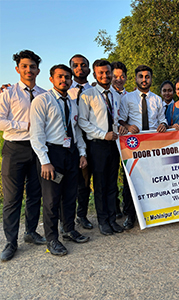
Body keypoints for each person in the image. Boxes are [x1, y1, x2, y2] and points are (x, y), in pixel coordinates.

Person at [30, 64, 89, 256]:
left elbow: (76, 129)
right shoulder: (42, 101)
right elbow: (36, 133)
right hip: (51, 155)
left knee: (70, 195)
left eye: (67, 77)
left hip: (70, 153)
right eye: (60, 77)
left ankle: (69, 229)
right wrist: (45, 161)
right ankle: (52, 239)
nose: (64, 80)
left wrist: (81, 153)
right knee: (51, 199)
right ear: (52, 79)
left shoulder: (71, 102)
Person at [0, 50, 47, 261]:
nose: (29, 70)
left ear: (38, 70)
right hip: (14, 148)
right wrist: (25, 125)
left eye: (33, 66)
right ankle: (10, 242)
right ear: (18, 69)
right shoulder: (8, 93)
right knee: (12, 198)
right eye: (25, 66)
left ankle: (31, 232)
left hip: (37, 149)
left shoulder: (45, 94)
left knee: (35, 194)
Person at [78, 59, 127, 236]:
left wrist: (118, 128)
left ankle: (112, 219)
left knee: (112, 183)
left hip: (113, 144)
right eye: (101, 73)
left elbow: (115, 118)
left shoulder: (115, 95)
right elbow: (82, 121)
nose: (105, 76)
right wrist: (102, 134)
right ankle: (103, 221)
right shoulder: (88, 95)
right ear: (94, 74)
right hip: (97, 145)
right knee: (100, 184)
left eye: (108, 72)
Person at [118, 65, 168, 230]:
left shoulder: (157, 99)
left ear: (151, 79)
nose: (144, 79)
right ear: (136, 79)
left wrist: (163, 124)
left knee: (154, 179)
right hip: (133, 147)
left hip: (153, 146)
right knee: (131, 182)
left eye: (147, 76)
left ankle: (155, 212)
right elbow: (120, 120)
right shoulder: (127, 98)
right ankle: (130, 216)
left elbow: (163, 119)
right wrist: (128, 125)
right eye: (141, 76)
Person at [67, 54, 94, 231]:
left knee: (86, 182)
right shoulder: (64, 91)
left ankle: (82, 215)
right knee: (69, 183)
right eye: (75, 65)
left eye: (83, 65)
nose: (80, 68)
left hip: (92, 142)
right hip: (69, 144)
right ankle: (66, 219)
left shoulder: (96, 91)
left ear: (89, 69)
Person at [110, 61, 128, 219]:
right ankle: (114, 207)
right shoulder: (106, 95)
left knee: (128, 173)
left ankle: (128, 204)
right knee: (112, 175)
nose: (118, 79)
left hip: (129, 143)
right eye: (115, 76)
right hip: (111, 140)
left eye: (122, 76)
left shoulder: (130, 96)